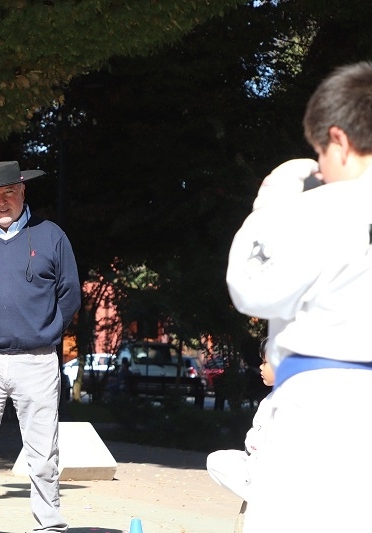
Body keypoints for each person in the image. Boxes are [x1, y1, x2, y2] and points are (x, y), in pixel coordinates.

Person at [226, 61, 372, 532]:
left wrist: (272, 206)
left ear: (340, 141)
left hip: (323, 408)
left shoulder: (327, 207)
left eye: (320, 154)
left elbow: (249, 288)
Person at [0, 160, 81, 533]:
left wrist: (47, 329)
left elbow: (69, 293)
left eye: (9, 192)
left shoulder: (51, 235)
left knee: (42, 452)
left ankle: (49, 524)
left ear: (23, 191)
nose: (1, 200)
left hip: (37, 360)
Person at [206, 338, 274, 504]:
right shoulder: (270, 398)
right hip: (254, 462)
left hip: (270, 468)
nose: (261, 366)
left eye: (265, 362)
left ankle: (269, 500)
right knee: (217, 460)